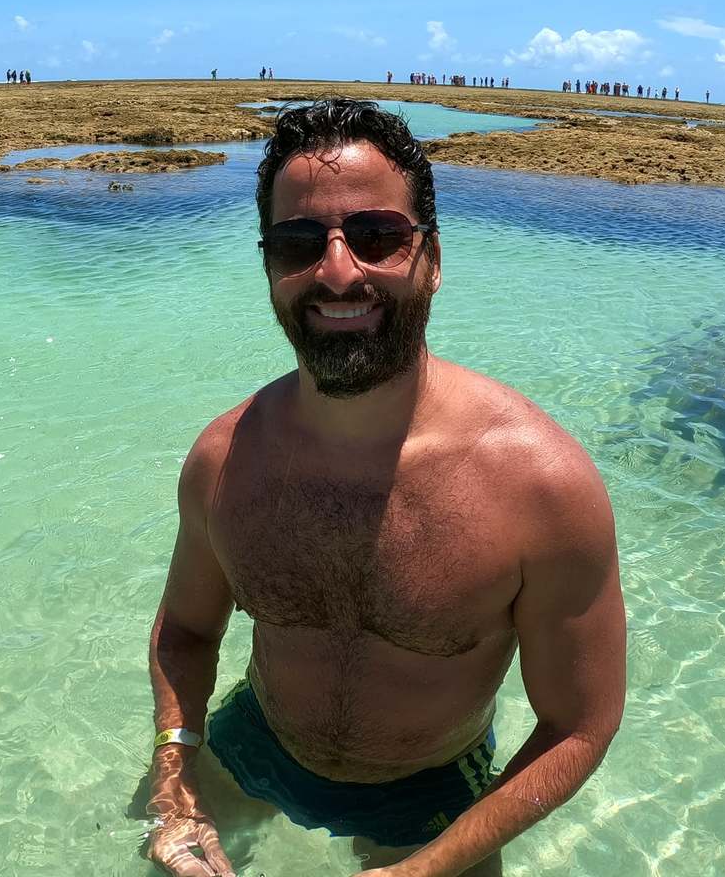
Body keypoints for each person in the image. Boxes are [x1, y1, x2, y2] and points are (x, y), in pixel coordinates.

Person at [146, 99, 627, 877]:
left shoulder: (543, 488)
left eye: (376, 238)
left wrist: (425, 869)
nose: (337, 271)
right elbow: (185, 633)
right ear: (269, 267)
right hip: (252, 740)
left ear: (431, 259)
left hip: (432, 793)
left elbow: (580, 724)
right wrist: (176, 782)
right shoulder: (224, 459)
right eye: (298, 243)